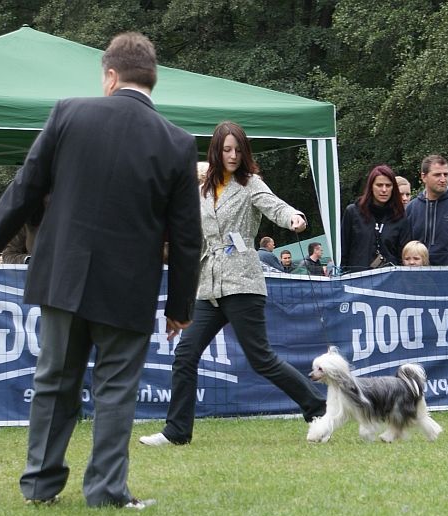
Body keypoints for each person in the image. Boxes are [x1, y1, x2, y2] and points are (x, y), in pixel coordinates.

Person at [0, 32, 202, 509]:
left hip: (62, 278)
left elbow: (26, 187)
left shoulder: (68, 113)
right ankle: (107, 492)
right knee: (116, 390)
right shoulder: (178, 143)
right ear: (152, 79)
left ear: (110, 76)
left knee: (53, 382)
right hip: (128, 289)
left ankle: (40, 486)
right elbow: (186, 236)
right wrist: (180, 307)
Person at [139, 121, 326, 447]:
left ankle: (318, 408)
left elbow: (276, 206)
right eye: (226, 149)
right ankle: (176, 432)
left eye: (238, 150)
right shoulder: (202, 190)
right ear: (216, 151)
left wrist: (294, 217)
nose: (232, 155)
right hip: (209, 286)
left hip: (242, 283)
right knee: (185, 355)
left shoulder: (251, 184)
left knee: (261, 359)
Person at [341, 164, 410, 272]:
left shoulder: (400, 217)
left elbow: (404, 256)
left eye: (388, 185)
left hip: (389, 278)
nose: (384, 190)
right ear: (371, 187)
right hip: (357, 278)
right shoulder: (353, 212)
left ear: (393, 188)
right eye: (379, 185)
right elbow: (343, 251)